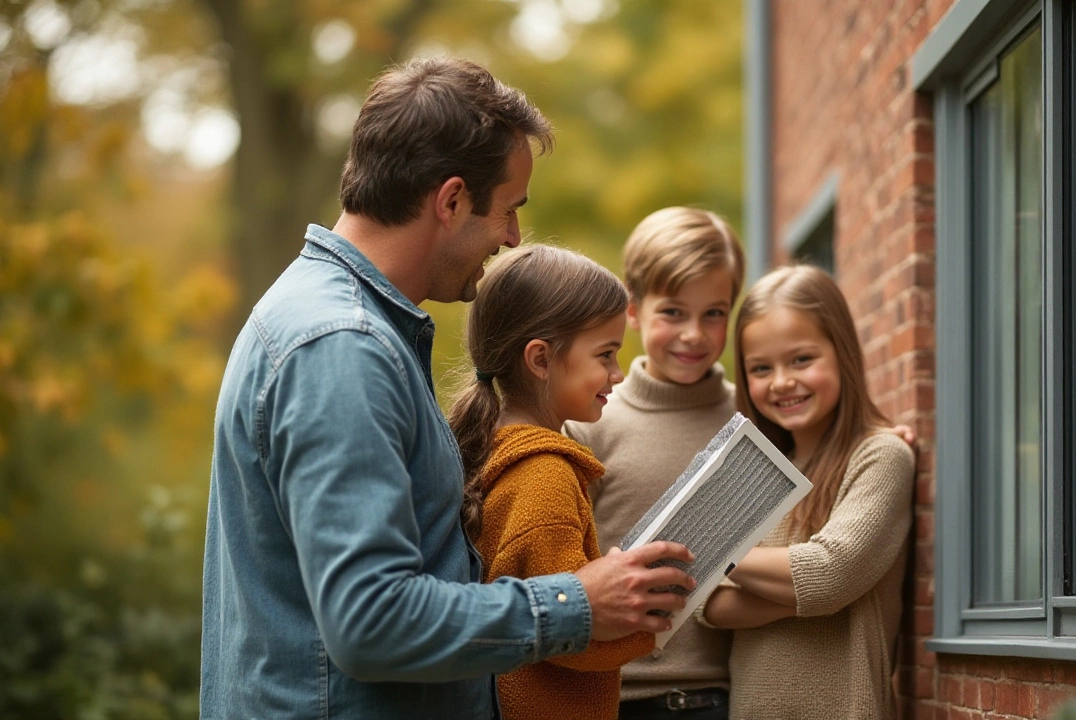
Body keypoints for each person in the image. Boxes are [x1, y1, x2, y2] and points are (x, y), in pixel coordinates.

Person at [200, 56, 694, 720]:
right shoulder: (340, 348)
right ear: (452, 199)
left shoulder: (342, 328)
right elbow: (370, 621)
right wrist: (578, 604)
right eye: (510, 210)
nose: (514, 237)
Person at [448, 243, 659, 720]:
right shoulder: (545, 475)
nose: (617, 374)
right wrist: (649, 615)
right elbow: (572, 630)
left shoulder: (492, 449)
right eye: (604, 355)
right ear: (540, 360)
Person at [701, 264, 916, 720]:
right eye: (761, 368)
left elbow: (831, 571)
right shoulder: (753, 476)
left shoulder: (881, 455)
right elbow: (708, 606)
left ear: (842, 353)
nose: (781, 381)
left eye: (801, 359)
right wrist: (807, 595)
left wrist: (718, 550)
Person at [564, 207, 745, 719]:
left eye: (714, 313)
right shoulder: (591, 420)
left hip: (720, 697)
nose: (694, 334)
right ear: (634, 309)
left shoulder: (752, 419)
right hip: (613, 698)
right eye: (673, 312)